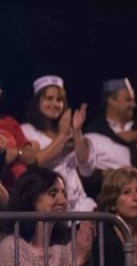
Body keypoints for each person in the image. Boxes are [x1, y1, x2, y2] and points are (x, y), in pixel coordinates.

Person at [84, 78, 137, 206]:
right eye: (128, 100)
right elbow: (87, 172)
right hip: (126, 204)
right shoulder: (94, 134)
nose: (134, 105)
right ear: (111, 100)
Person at [21, 75, 97, 212]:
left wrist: (77, 131)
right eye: (49, 98)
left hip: (80, 207)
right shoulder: (27, 130)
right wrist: (61, 137)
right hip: (49, 208)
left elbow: (87, 168)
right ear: (37, 101)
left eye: (59, 100)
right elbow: (36, 163)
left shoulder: (69, 131)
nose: (55, 104)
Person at [0, 84, 38, 188]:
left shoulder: (9, 121)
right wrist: (5, 156)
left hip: (23, 190)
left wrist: (15, 152)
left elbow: (31, 157)